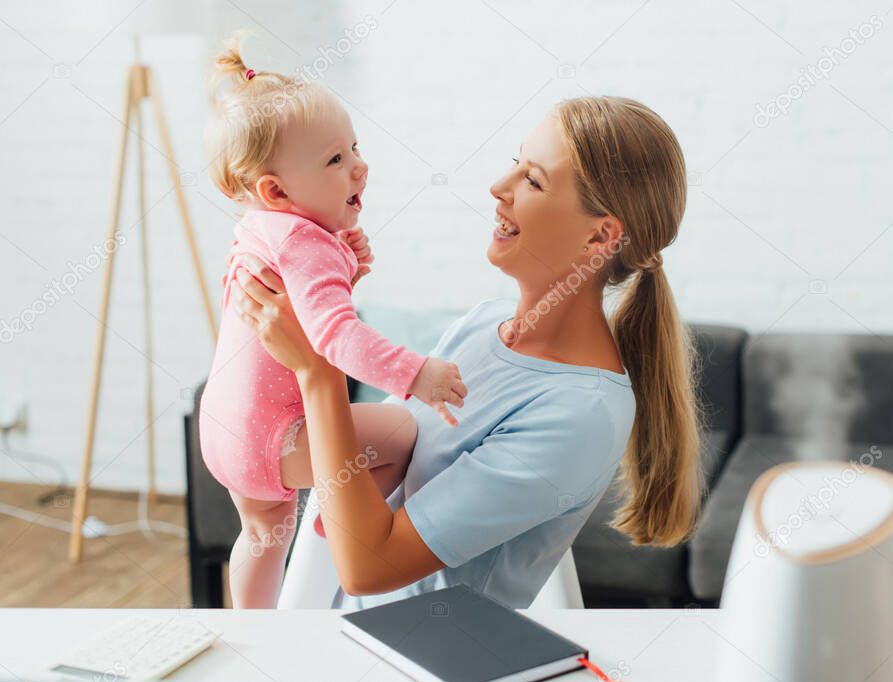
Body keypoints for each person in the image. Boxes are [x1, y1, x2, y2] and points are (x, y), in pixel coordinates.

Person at [229, 96, 705, 612]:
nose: (498, 188)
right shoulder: (482, 325)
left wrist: (316, 369)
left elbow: (368, 568)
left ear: (600, 236)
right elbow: (374, 460)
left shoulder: (581, 413)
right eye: (514, 162)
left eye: (534, 180)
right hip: (350, 636)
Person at [199, 38, 466, 609]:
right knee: (401, 432)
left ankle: (250, 633)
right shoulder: (304, 241)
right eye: (335, 161)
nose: (359, 167)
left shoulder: (262, 225)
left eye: (354, 148)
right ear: (277, 189)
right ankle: (343, 524)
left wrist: (344, 263)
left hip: (225, 428)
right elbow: (335, 337)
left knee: (264, 534)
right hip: (277, 434)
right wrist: (414, 373)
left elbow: (302, 310)